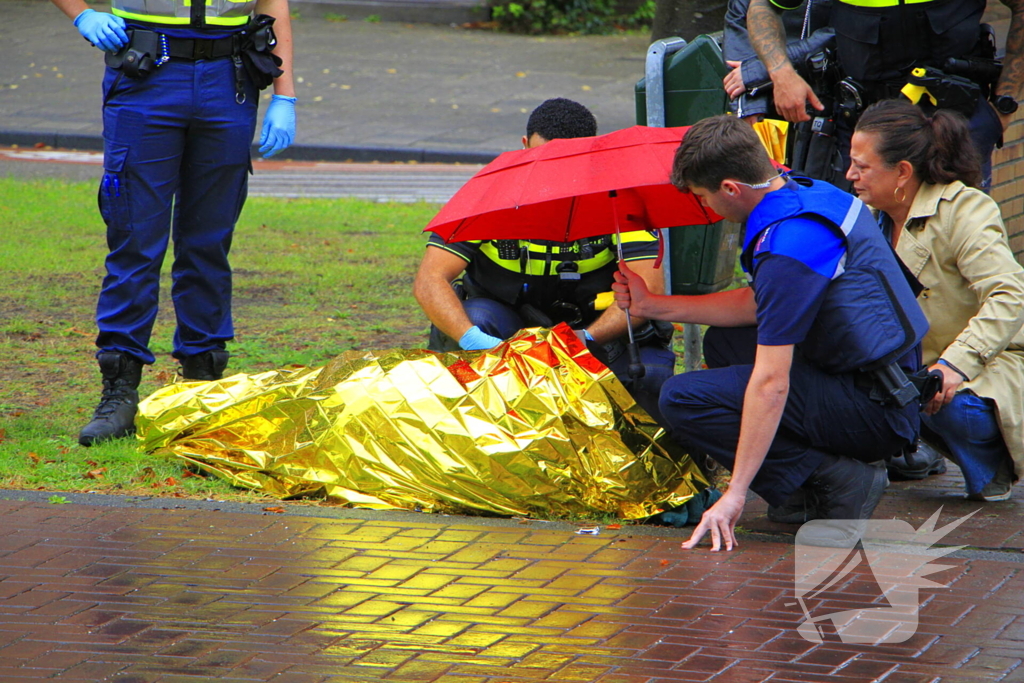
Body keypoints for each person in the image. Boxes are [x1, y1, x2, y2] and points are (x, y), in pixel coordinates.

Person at [612, 115, 929, 550]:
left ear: (730, 188)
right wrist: (652, 305)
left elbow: (772, 381)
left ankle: (840, 481)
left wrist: (735, 492)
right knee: (723, 344)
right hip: (887, 384)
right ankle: (802, 483)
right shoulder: (806, 192)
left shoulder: (789, 244)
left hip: (876, 408)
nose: (706, 209)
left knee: (682, 397)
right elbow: (762, 304)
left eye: (704, 198)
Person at [49, 0, 297, 446]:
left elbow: (273, 5)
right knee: (135, 243)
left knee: (208, 243)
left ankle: (201, 386)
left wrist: (286, 93)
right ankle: (120, 392)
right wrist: (82, 14)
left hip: (230, 78)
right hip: (147, 73)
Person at [413, 98, 675, 423]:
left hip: (595, 328)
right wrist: (472, 338)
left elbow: (647, 289)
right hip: (503, 327)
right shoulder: (487, 193)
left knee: (650, 375)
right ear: (524, 147)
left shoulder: (621, 197)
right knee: (476, 317)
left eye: (568, 161)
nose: (555, 173)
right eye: (542, 157)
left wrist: (588, 339)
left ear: (592, 150)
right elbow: (429, 280)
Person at [847, 99, 1024, 500]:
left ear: (902, 172)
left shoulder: (966, 209)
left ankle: (989, 462)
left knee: (951, 406)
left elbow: (1010, 293)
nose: (849, 175)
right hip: (910, 368)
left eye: (861, 166)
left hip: (989, 362)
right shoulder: (861, 216)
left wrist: (953, 364)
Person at [744, 0, 1023, 191]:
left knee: (956, 247)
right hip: (864, 125)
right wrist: (781, 73)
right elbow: (762, 5)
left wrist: (1004, 104)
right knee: (868, 252)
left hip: (958, 124)